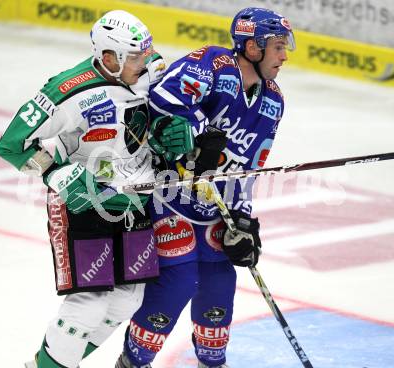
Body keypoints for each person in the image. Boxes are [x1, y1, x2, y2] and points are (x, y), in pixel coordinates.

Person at [0, 9, 180, 368]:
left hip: (133, 199)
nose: (146, 62)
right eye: (136, 57)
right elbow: (11, 145)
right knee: (89, 304)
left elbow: (162, 118)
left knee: (127, 299)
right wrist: (58, 174)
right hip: (84, 203)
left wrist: (171, 133)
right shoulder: (67, 91)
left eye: (146, 53)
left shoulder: (153, 69)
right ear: (109, 58)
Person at [116, 7, 296, 368]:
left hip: (217, 209)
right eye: (277, 46)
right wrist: (193, 141)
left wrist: (242, 222)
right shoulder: (212, 64)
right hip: (169, 197)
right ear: (253, 46)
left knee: (218, 290)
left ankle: (212, 363)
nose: (284, 55)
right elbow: (158, 108)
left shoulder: (273, 102)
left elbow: (247, 170)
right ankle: (132, 363)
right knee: (179, 281)